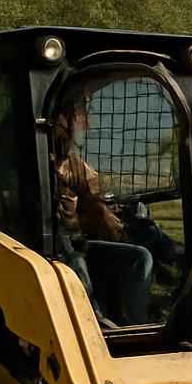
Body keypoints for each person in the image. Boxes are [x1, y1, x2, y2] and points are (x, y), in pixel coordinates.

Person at [52, 100, 158, 326]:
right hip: (54, 250)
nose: (88, 124)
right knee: (76, 264)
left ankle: (137, 326)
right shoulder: (35, 165)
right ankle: (97, 323)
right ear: (62, 120)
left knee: (141, 254)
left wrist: (121, 221)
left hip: (79, 244)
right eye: (81, 115)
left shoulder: (75, 166)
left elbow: (98, 205)